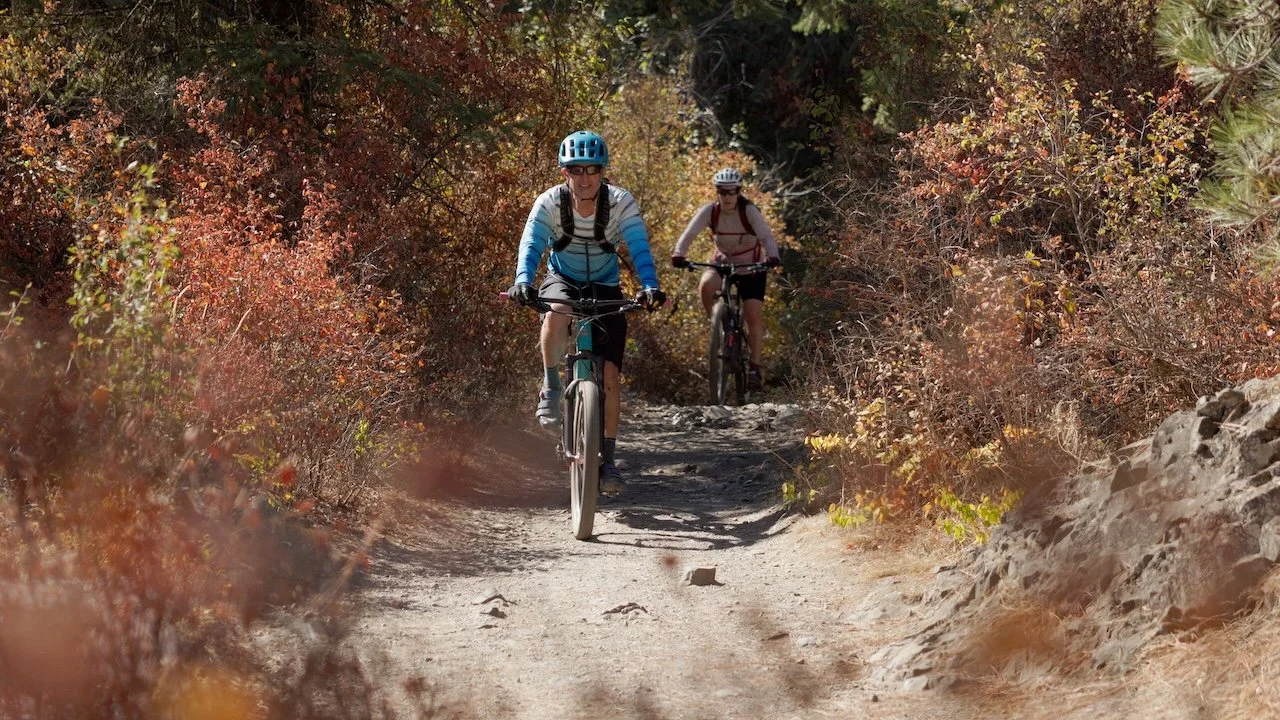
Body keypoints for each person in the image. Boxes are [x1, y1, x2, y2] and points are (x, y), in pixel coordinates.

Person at [508, 130, 665, 495]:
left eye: (592, 169)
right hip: (562, 279)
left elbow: (639, 246)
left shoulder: (621, 202)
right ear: (565, 172)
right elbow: (531, 243)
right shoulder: (549, 203)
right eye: (575, 169)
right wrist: (522, 281)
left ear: (602, 171)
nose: (584, 177)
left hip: (606, 288)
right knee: (557, 309)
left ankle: (608, 463)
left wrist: (649, 285)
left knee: (609, 379)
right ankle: (551, 385)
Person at [670, 168, 781, 390]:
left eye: (732, 192)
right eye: (723, 192)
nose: (728, 197)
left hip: (752, 266)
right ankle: (718, 329)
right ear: (717, 192)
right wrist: (678, 254)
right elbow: (689, 233)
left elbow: (766, 236)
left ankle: (754, 368)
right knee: (705, 285)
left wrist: (773, 257)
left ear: (739, 192)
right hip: (723, 262)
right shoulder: (710, 211)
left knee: (752, 314)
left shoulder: (748, 211)